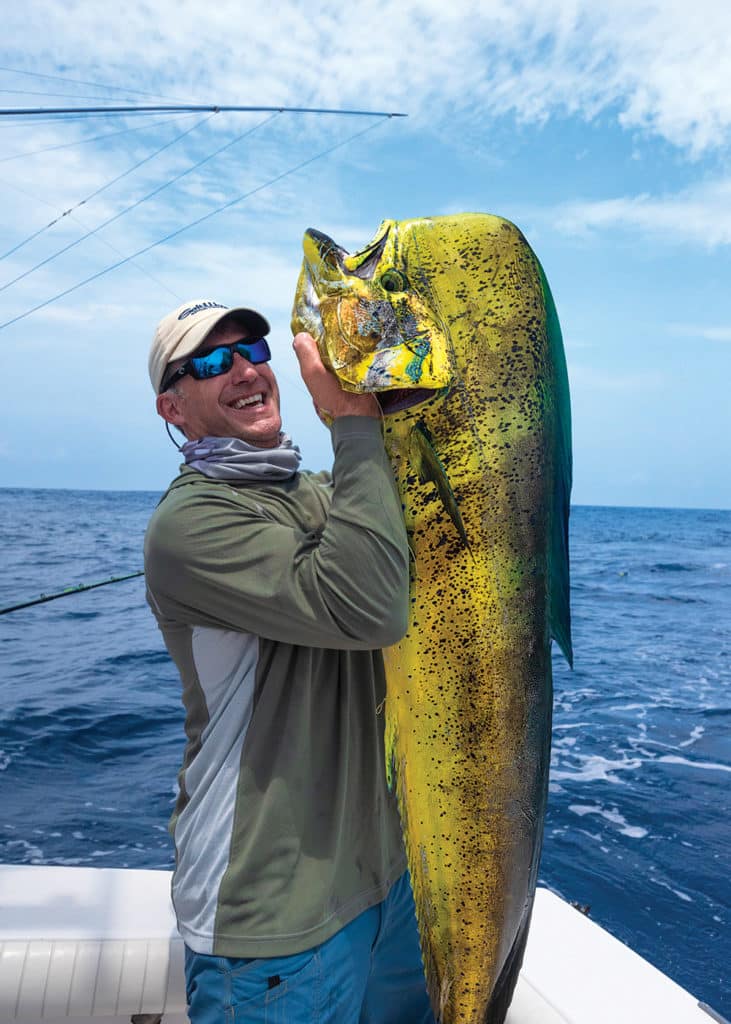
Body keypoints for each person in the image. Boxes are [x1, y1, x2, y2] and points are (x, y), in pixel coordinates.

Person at [144, 299, 436, 1024]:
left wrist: (397, 403)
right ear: (172, 409)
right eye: (209, 363)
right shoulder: (190, 523)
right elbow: (369, 608)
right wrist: (355, 423)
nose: (244, 369)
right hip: (274, 911)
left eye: (254, 350)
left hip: (382, 880)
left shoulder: (315, 493)